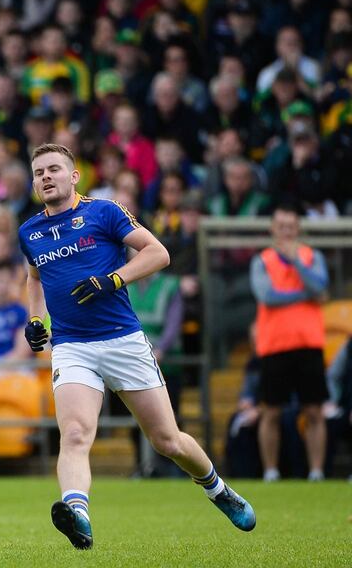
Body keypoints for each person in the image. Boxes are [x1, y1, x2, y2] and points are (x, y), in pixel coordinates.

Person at [18, 143, 255, 550]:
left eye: (53, 169)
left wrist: (113, 280)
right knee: (74, 434)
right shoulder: (30, 232)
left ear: (74, 176)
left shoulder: (104, 212)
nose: (45, 177)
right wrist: (36, 321)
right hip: (73, 346)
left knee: (167, 441)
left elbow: (158, 253)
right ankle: (78, 514)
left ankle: (217, 489)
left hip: (122, 341)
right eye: (38, 172)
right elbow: (35, 280)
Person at [250, 205, 329, 482]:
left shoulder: (311, 256)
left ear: (298, 228)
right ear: (272, 228)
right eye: (281, 225)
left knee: (314, 410)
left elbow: (320, 286)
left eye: (291, 225)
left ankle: (316, 471)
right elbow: (267, 296)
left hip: (309, 344)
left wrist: (296, 262)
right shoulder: (262, 260)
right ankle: (271, 471)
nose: (286, 231)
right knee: (271, 411)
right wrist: (306, 295)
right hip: (274, 346)